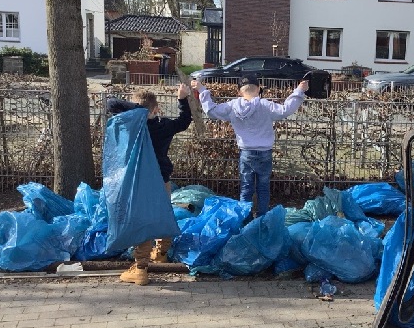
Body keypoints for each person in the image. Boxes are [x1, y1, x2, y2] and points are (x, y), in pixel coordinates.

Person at [106, 83, 192, 285]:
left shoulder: (132, 128)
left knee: (143, 222)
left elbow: (111, 103)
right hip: (162, 180)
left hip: (140, 184)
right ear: (156, 109)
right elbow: (184, 121)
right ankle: (161, 252)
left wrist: (138, 110)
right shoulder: (164, 127)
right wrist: (182, 99)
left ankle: (141, 269)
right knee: (163, 215)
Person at [191, 75, 308, 217]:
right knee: (263, 188)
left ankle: (244, 220)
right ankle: (262, 218)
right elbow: (286, 110)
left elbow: (211, 111)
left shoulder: (232, 106)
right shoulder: (265, 105)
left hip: (246, 152)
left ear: (239, 91)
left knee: (246, 188)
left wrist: (202, 89)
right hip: (265, 152)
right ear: (258, 89)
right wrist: (299, 91)